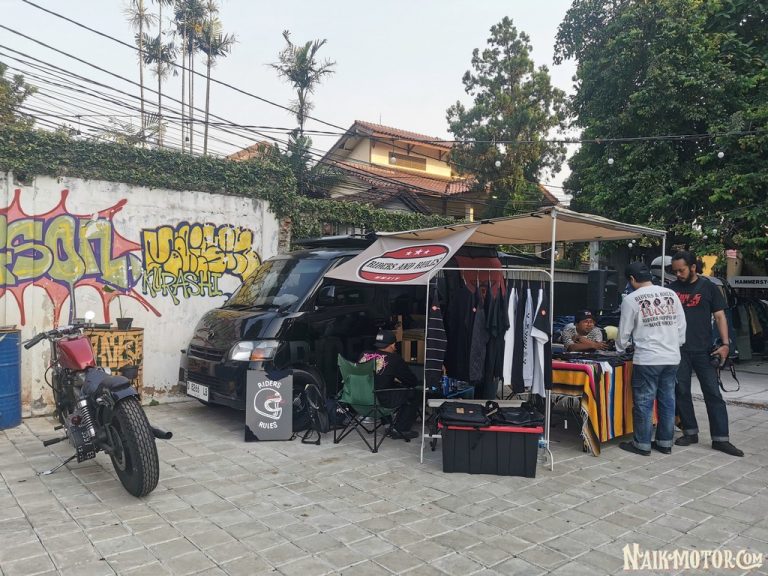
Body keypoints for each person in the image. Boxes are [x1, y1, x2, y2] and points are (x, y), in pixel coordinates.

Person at [670, 251, 743, 457]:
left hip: (704, 350)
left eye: (681, 270)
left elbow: (720, 317)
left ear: (693, 267)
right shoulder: (671, 290)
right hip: (679, 350)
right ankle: (690, 432)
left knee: (713, 393)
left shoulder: (709, 287)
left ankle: (721, 439)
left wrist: (726, 344)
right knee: (681, 392)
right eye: (675, 271)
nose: (678, 274)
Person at [616, 262, 686, 456]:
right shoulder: (671, 294)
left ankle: (642, 444)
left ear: (632, 279)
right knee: (667, 400)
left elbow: (624, 331)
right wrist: (676, 344)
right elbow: (681, 325)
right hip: (672, 357)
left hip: (647, 358)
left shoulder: (631, 299)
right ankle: (664, 443)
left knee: (644, 402)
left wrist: (620, 348)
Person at [359, 329, 420, 440]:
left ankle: (387, 423)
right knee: (414, 393)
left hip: (359, 399)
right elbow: (412, 381)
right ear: (392, 345)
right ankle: (401, 429)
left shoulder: (364, 354)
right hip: (380, 401)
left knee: (383, 385)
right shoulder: (394, 359)